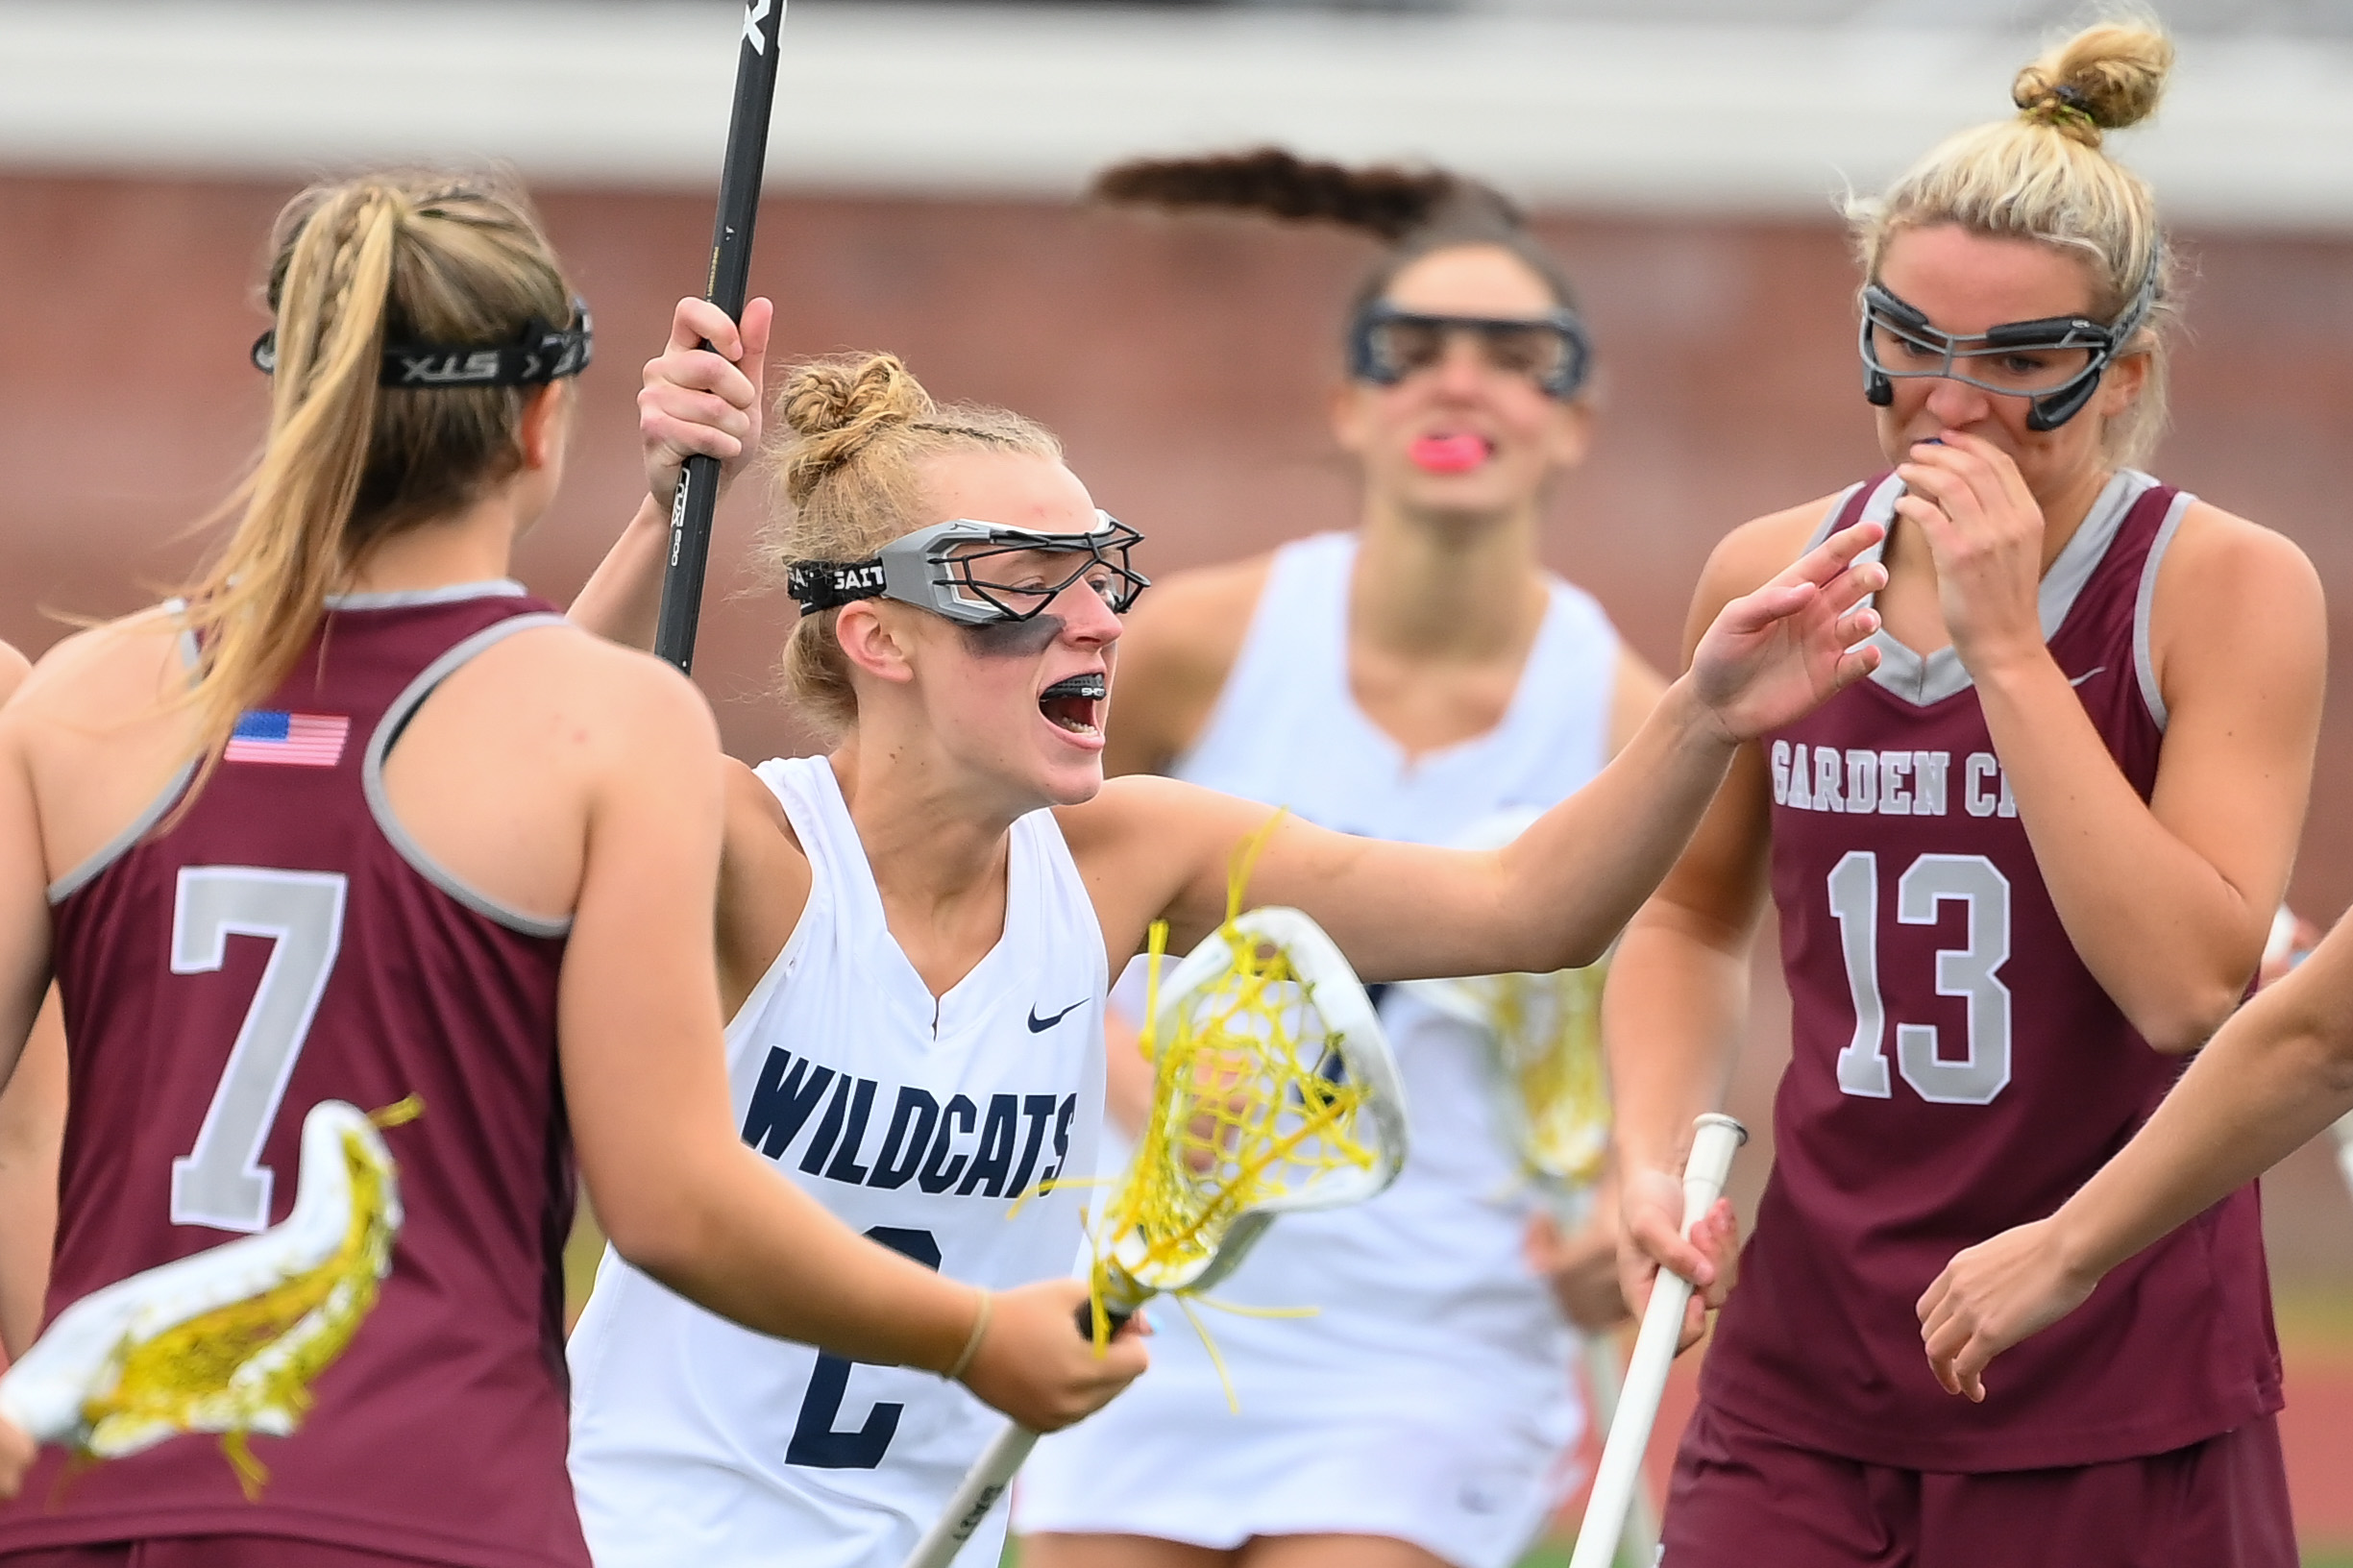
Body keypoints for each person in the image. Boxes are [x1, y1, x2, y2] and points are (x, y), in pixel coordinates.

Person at [557, 271, 1886, 1567]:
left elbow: (1527, 904)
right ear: (878, 638)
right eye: (1026, 579)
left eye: (1096, 572)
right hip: (637, 1531)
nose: (1091, 621)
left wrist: (1700, 715)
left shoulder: (1130, 856)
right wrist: (656, 522)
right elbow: (535, 767)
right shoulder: (751, 849)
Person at [0, 171, 1140, 1563]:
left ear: (292, 388)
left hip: (92, 1495)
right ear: (544, 424)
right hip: (423, 1499)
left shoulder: (75, 702)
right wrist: (973, 1333)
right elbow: (665, 1204)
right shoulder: (615, 730)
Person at [1603, 23, 2323, 1567]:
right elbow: (1683, 907)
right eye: (1911, 342)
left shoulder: (2225, 588)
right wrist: (1646, 1155)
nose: (1949, 404)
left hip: (2116, 1371)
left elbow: (2188, 986)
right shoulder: (1774, 567)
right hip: (1808, 1362)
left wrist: (2005, 642)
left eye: (2016, 363)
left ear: (2121, 372)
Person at [1009, 150, 1654, 1568]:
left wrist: (1633, 1189)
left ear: (1572, 419)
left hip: (1442, 1328)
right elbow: (1020, 904)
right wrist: (1141, 1090)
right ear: (1348, 406)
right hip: (1160, 1283)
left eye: (1512, 355)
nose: (1457, 382)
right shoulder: (1198, 645)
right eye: (1408, 351)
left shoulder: (1627, 718)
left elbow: (1683, 983)